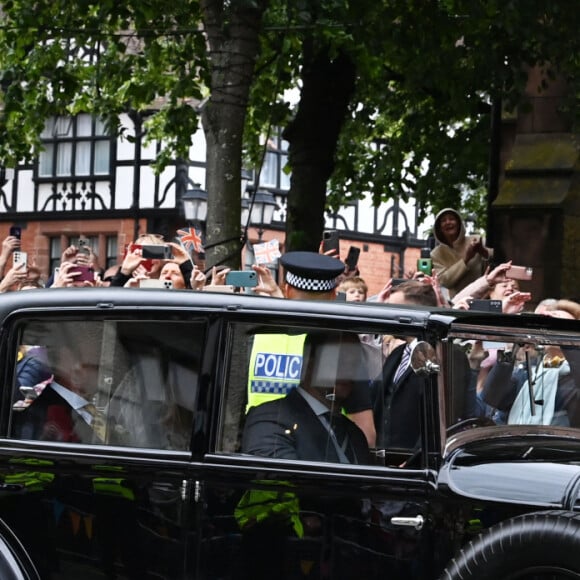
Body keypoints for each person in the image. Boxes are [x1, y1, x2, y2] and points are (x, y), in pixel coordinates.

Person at [246, 251, 376, 447]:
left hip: (257, 448)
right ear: (334, 295)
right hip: (323, 459)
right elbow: (366, 435)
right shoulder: (339, 344)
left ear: (287, 290)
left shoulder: (254, 336)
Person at [372, 280, 473, 449]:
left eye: (394, 309)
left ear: (416, 313)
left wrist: (417, 459)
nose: (388, 315)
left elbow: (443, 418)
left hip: (417, 467)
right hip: (383, 459)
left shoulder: (447, 356)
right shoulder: (397, 354)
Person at [243, 332, 371, 464]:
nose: (348, 369)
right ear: (310, 361)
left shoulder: (354, 433)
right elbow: (281, 479)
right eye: (339, 359)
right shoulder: (271, 421)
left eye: (355, 362)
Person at [430, 208, 493, 298]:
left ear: (459, 224)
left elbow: (496, 261)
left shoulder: (477, 240)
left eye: (451, 219)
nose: (448, 222)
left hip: (483, 298)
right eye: (443, 221)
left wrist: (482, 251)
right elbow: (445, 281)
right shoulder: (436, 254)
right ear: (439, 228)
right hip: (458, 302)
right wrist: (466, 259)